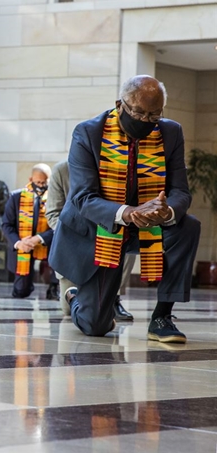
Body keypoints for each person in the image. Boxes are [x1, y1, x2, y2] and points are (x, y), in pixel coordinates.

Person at [49, 75, 200, 344]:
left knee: (188, 225)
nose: (145, 120)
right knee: (95, 325)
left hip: (147, 226)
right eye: (138, 112)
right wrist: (129, 212)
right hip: (98, 230)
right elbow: (83, 198)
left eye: (154, 115)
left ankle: (162, 317)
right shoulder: (88, 132)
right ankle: (74, 296)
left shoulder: (170, 132)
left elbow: (180, 191)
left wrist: (167, 211)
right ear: (120, 104)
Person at [46, 160, 134, 321]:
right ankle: (75, 296)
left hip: (109, 234)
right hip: (75, 239)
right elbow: (53, 214)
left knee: (126, 241)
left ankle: (113, 297)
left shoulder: (118, 165)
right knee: (69, 311)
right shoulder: (62, 170)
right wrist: (75, 235)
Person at [1, 163, 57, 299]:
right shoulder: (16, 197)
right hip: (23, 243)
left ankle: (54, 286)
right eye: (38, 182)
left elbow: (59, 225)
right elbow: (6, 225)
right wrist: (19, 243)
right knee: (21, 291)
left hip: (46, 241)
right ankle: (25, 284)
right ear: (30, 179)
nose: (41, 186)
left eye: (45, 182)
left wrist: (39, 238)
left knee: (59, 249)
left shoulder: (55, 197)